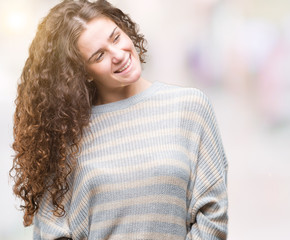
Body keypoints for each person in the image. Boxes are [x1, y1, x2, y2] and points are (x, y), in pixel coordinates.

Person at [10, 0, 228, 239]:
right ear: (83, 73)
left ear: (125, 29)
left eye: (116, 38)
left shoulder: (190, 107)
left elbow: (212, 213)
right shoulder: (67, 135)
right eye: (99, 55)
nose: (118, 55)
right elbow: (52, 231)